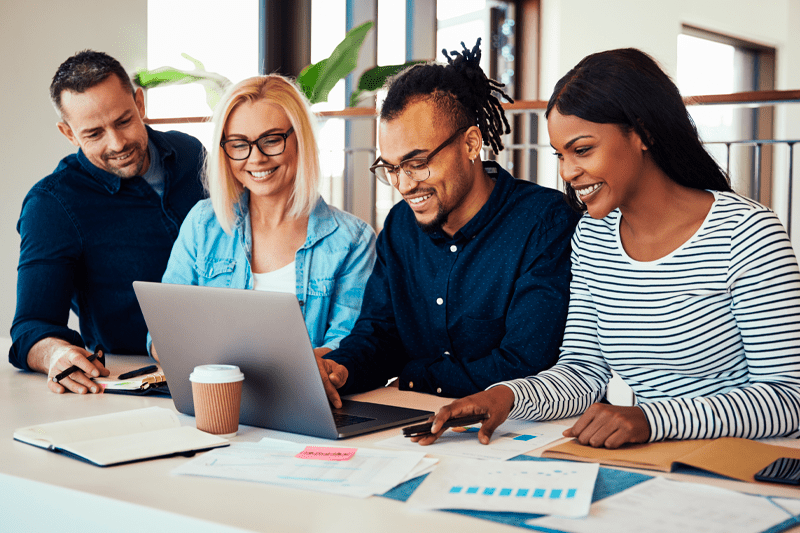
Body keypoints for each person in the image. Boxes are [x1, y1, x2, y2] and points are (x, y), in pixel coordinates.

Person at [415, 48, 800, 448]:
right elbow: (585, 372)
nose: (567, 172)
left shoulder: (747, 234)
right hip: (647, 458)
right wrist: (505, 396)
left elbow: (791, 397)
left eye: (582, 150)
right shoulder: (593, 237)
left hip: (741, 464)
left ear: (644, 133)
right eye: (560, 155)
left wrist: (653, 419)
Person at [319, 40, 580, 405]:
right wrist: (341, 367)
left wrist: (413, 378)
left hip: (518, 431)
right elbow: (379, 334)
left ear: (471, 144)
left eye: (417, 162)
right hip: (418, 424)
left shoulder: (544, 222)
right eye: (391, 168)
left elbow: (527, 362)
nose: (404, 184)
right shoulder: (400, 227)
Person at [152, 75, 376, 390]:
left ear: (300, 139)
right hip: (212, 400)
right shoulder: (203, 223)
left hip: (299, 402)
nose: (255, 158)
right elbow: (161, 334)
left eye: (271, 140)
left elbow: (347, 345)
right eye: (239, 145)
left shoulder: (352, 240)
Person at [9, 50, 206, 394]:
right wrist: (56, 352)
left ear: (139, 103)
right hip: (135, 381)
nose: (117, 143)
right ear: (68, 134)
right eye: (94, 133)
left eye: (124, 121)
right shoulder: (52, 205)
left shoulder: (191, 154)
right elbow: (31, 326)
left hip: (230, 366)